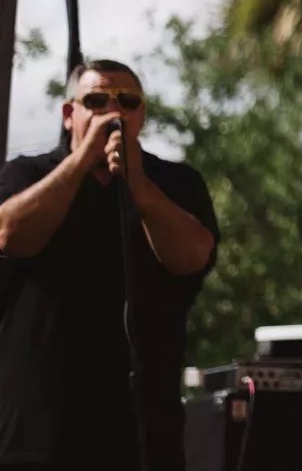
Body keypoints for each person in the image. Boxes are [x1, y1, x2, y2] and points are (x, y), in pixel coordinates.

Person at [0, 59, 219, 471]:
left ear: (143, 115)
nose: (112, 112)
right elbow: (10, 234)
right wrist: (82, 161)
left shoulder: (175, 183)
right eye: (97, 100)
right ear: (70, 114)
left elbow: (193, 257)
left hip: (142, 433)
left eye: (128, 101)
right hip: (40, 433)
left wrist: (138, 184)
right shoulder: (27, 174)